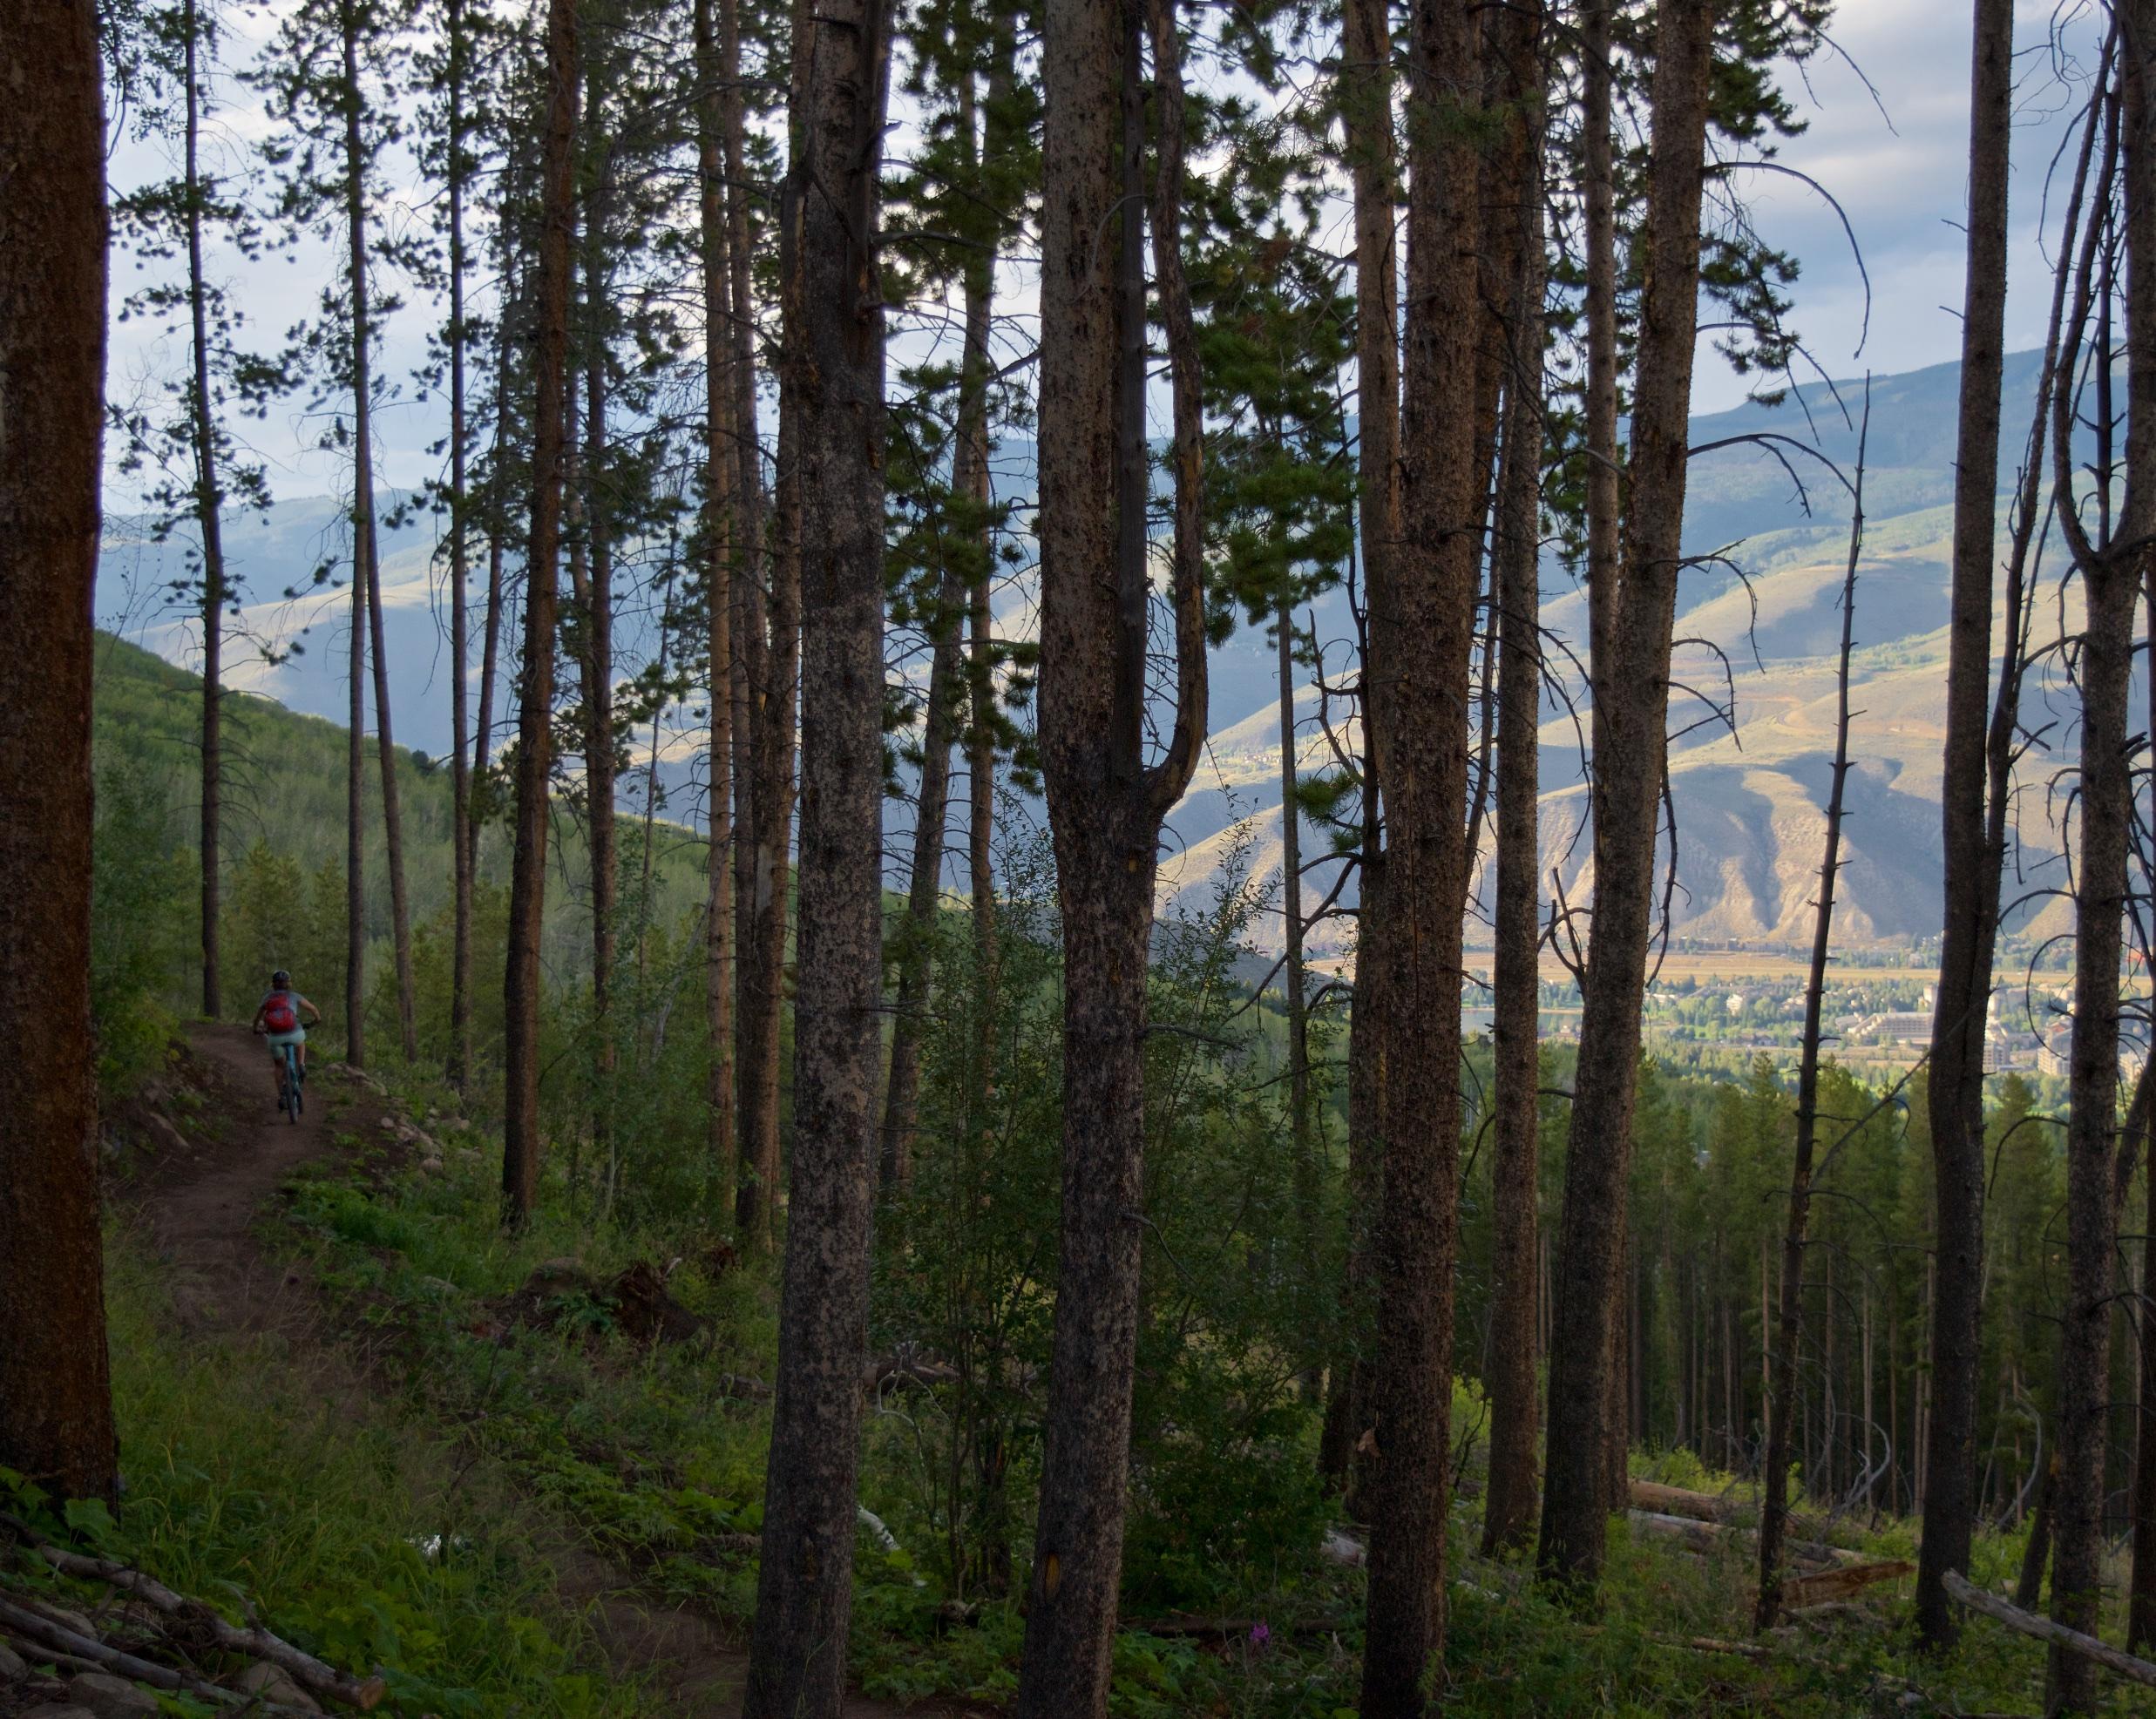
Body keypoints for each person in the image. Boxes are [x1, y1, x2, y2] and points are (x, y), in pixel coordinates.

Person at [251, 970, 322, 1112]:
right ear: (288, 984)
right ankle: (302, 1064)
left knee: (279, 1066)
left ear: (273, 985)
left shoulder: (267, 998)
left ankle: (282, 1097)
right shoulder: (294, 996)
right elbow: (313, 1008)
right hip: (294, 1034)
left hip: (275, 1037)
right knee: (301, 1041)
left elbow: (258, 1018)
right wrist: (316, 1020)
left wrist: (255, 1028)